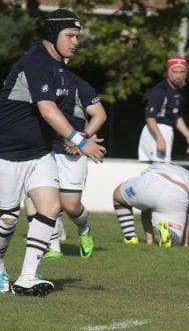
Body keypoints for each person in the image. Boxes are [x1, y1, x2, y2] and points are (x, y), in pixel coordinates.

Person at [0, 9, 106, 296]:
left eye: (77, 36)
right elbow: (47, 110)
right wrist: (79, 139)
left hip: (37, 153)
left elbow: (81, 112)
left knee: (50, 207)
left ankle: (27, 276)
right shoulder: (36, 62)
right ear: (52, 34)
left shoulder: (63, 69)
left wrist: (77, 137)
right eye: (70, 35)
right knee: (9, 218)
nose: (75, 42)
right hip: (3, 152)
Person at [41, 70, 106, 260]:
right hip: (45, 149)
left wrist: (80, 139)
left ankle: (84, 229)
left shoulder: (79, 84)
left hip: (73, 153)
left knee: (71, 206)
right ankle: (53, 247)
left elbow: (100, 115)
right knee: (46, 201)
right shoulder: (40, 81)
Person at [113, 163, 189, 247]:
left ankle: (131, 237)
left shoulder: (156, 165)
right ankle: (168, 235)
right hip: (178, 193)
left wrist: (149, 240)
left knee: (118, 197)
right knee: (175, 241)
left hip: (153, 182)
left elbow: (145, 208)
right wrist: (185, 243)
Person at [137, 55, 189, 163]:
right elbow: (150, 117)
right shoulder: (160, 90)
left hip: (167, 132)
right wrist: (159, 138)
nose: (178, 75)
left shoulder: (178, 91)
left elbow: (176, 117)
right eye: (175, 71)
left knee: (162, 169)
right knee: (157, 170)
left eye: (182, 72)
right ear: (168, 72)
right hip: (155, 131)